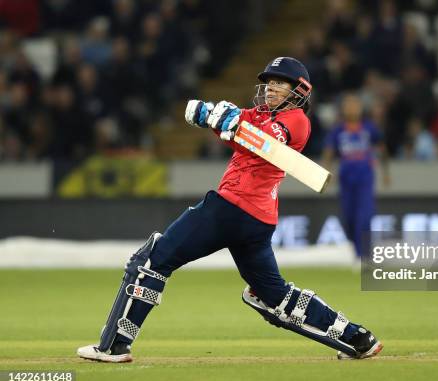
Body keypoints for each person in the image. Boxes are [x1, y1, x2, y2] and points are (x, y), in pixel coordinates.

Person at [77, 57, 383, 363]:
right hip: (257, 220)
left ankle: (114, 345)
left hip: (232, 207)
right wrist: (211, 116)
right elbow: (240, 133)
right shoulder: (262, 115)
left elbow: (261, 142)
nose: (271, 89)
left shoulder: (296, 120)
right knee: (271, 296)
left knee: (152, 260)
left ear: (299, 91)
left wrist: (232, 124)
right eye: (269, 83)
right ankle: (357, 338)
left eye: (279, 84)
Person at [322, 93, 389, 259]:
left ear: (360, 108)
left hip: (365, 178)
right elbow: (329, 152)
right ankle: (355, 249)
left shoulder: (369, 128)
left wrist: (385, 172)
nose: (352, 108)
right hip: (346, 179)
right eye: (348, 105)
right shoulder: (338, 130)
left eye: (355, 104)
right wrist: (326, 174)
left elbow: (382, 149)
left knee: (364, 216)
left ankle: (363, 254)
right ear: (343, 109)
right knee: (349, 217)